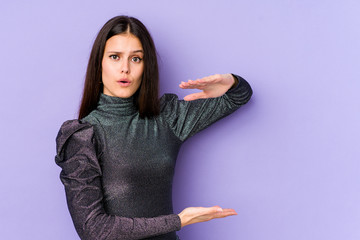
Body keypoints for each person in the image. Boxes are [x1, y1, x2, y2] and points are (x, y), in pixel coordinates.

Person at [55, 15, 252, 240]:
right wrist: (178, 221)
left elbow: (239, 95)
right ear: (99, 63)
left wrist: (231, 81)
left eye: (136, 59)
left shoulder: (168, 118)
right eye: (115, 57)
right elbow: (94, 231)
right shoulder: (83, 136)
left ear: (146, 66)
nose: (125, 69)